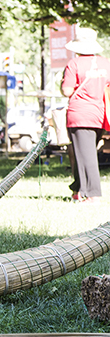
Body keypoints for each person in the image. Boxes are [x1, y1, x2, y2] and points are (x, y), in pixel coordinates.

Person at [61, 26, 110, 204]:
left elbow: (67, 91)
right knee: (84, 153)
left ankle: (93, 193)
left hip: (79, 114)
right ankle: (78, 189)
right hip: (99, 115)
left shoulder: (74, 64)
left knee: (85, 155)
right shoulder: (106, 63)